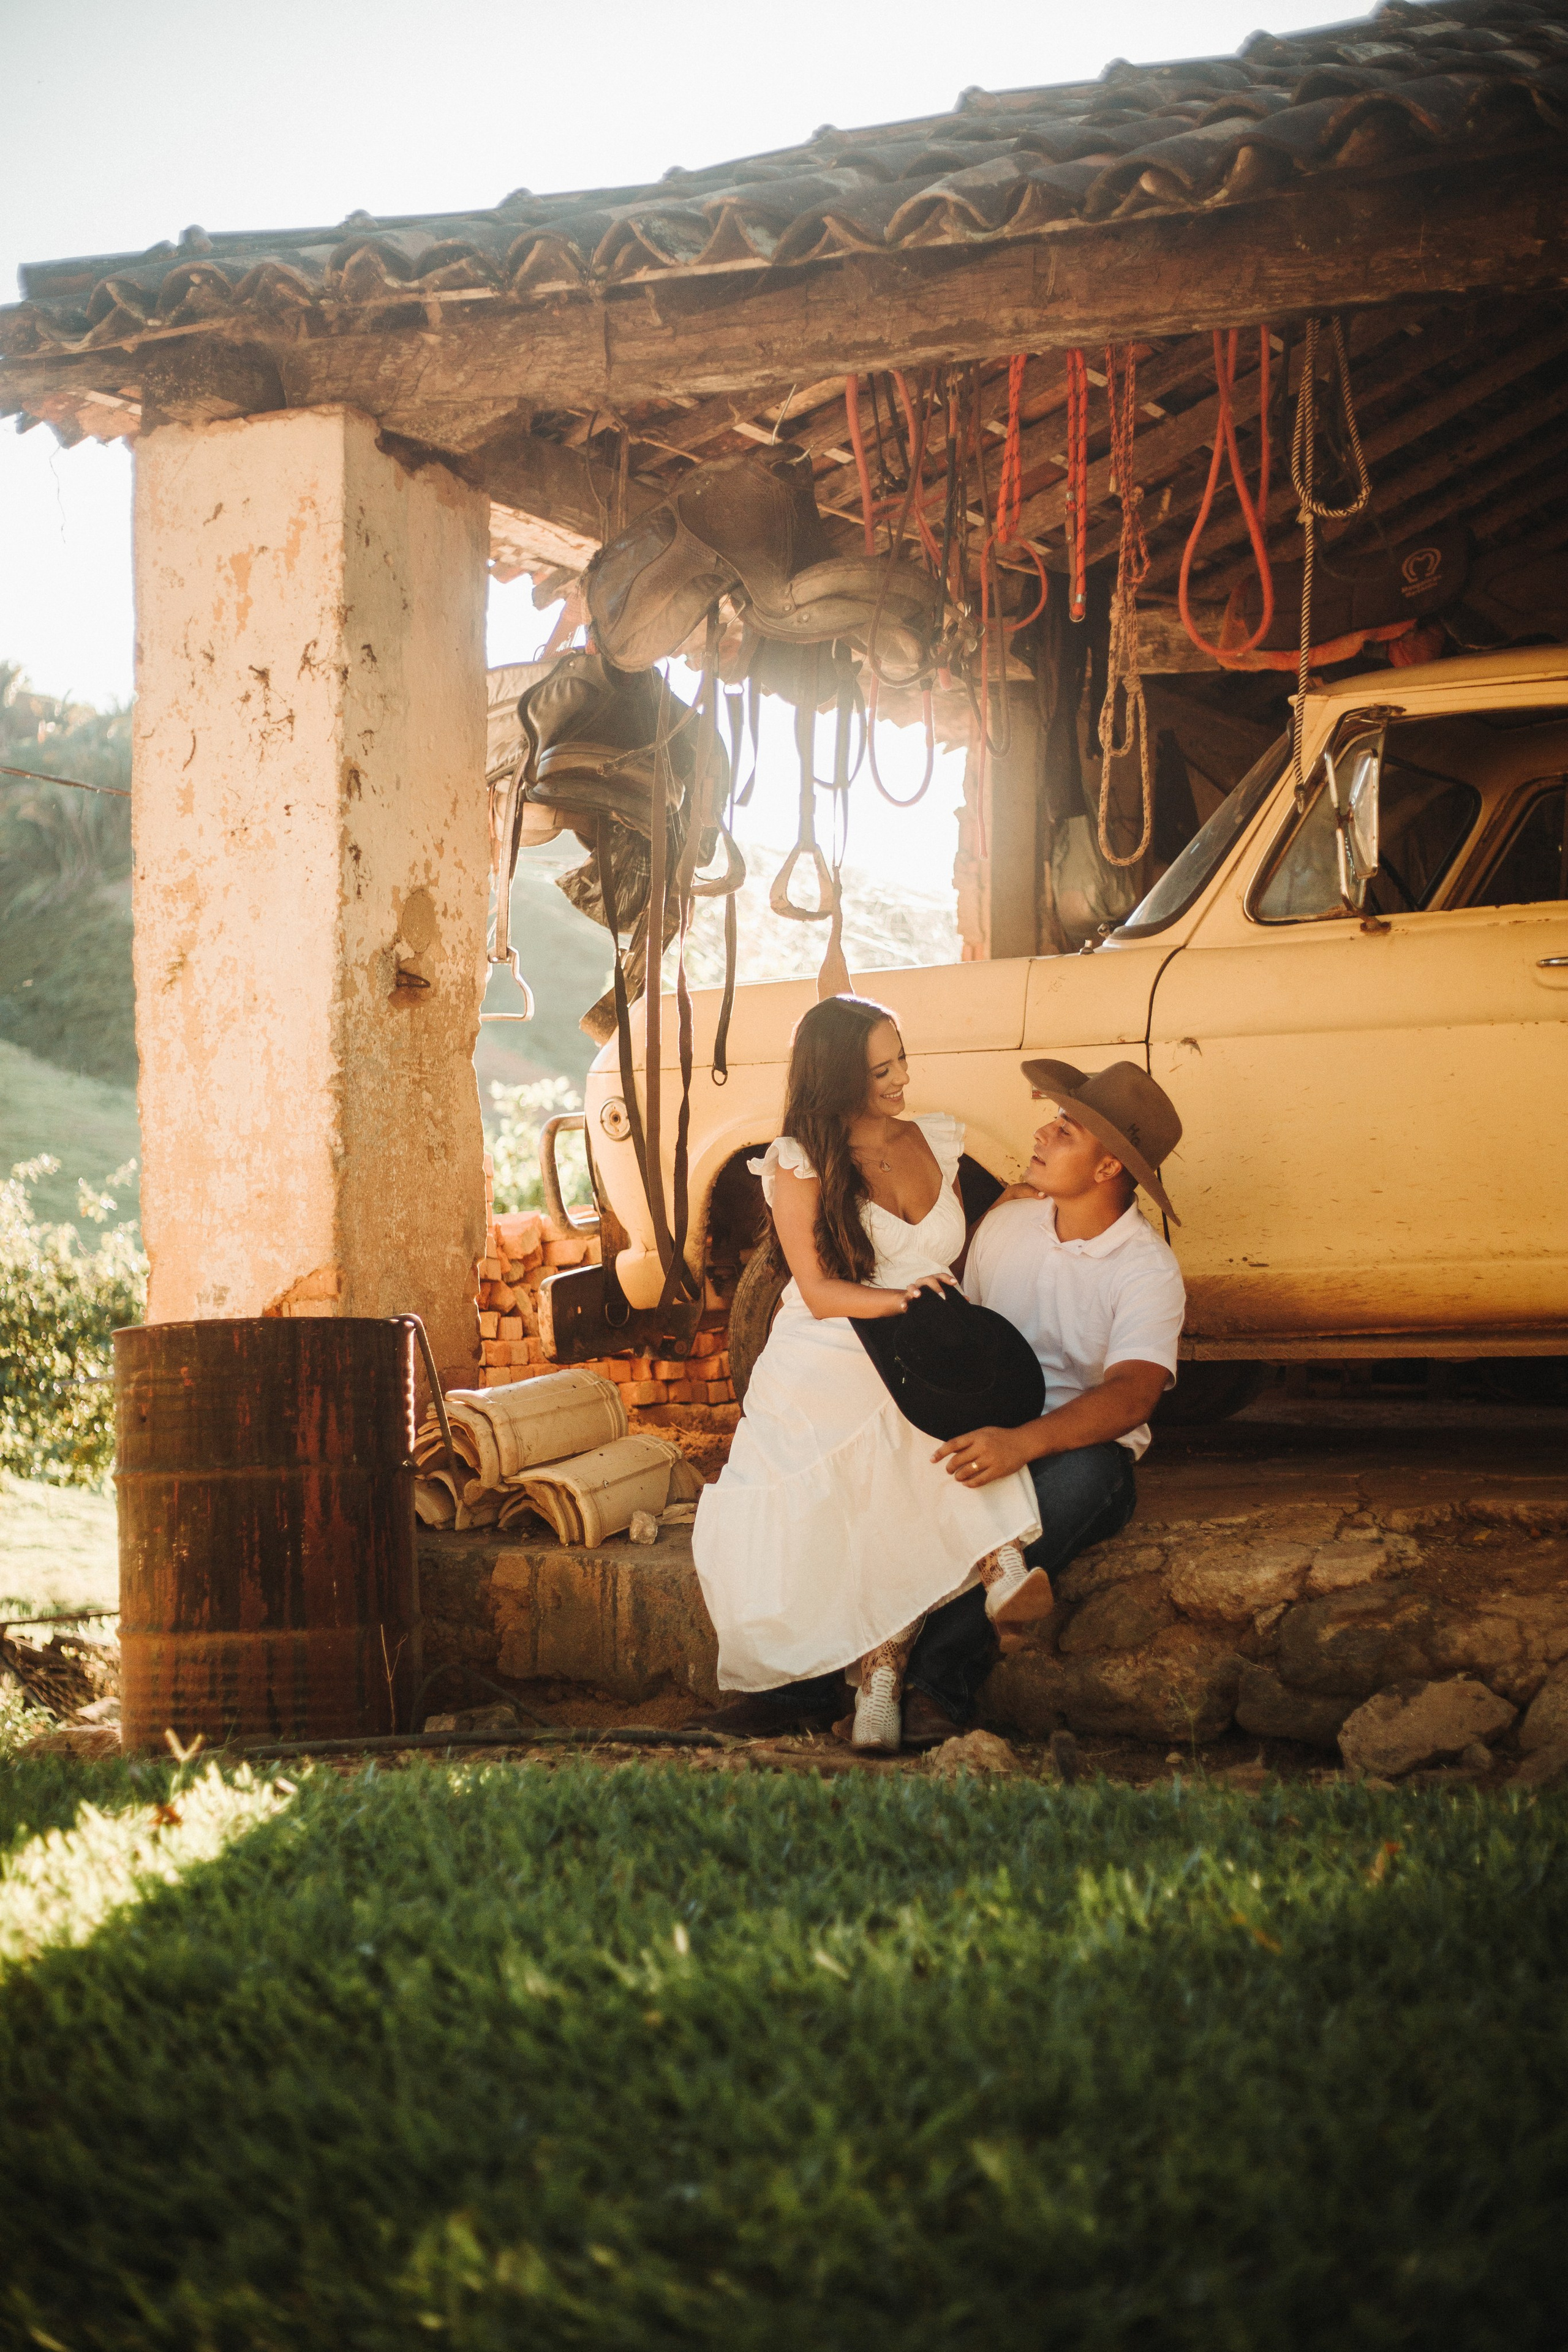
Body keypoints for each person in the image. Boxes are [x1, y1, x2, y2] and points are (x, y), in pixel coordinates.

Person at [692, 995, 1045, 1752]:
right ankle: (998, 1567)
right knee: (895, 1421)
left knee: (930, 1403)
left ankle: (884, 1681)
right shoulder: (800, 1160)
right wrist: (899, 1305)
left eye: (901, 1059)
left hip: (921, 1331)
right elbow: (816, 1290)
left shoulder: (934, 1140)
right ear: (836, 1076)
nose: (900, 1079)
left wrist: (1000, 1214)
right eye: (880, 1069)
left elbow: (939, 1256)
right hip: (835, 1337)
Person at [902, 1058, 1188, 1745]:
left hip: (1068, 1454)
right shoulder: (1006, 1228)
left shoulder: (1146, 1268)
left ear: (1106, 1169)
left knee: (1089, 1479)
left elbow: (1132, 1395)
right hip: (981, 1433)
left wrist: (1020, 1445)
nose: (1040, 1132)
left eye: (1064, 1131)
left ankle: (933, 1686)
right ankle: (823, 1680)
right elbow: (961, 1344)